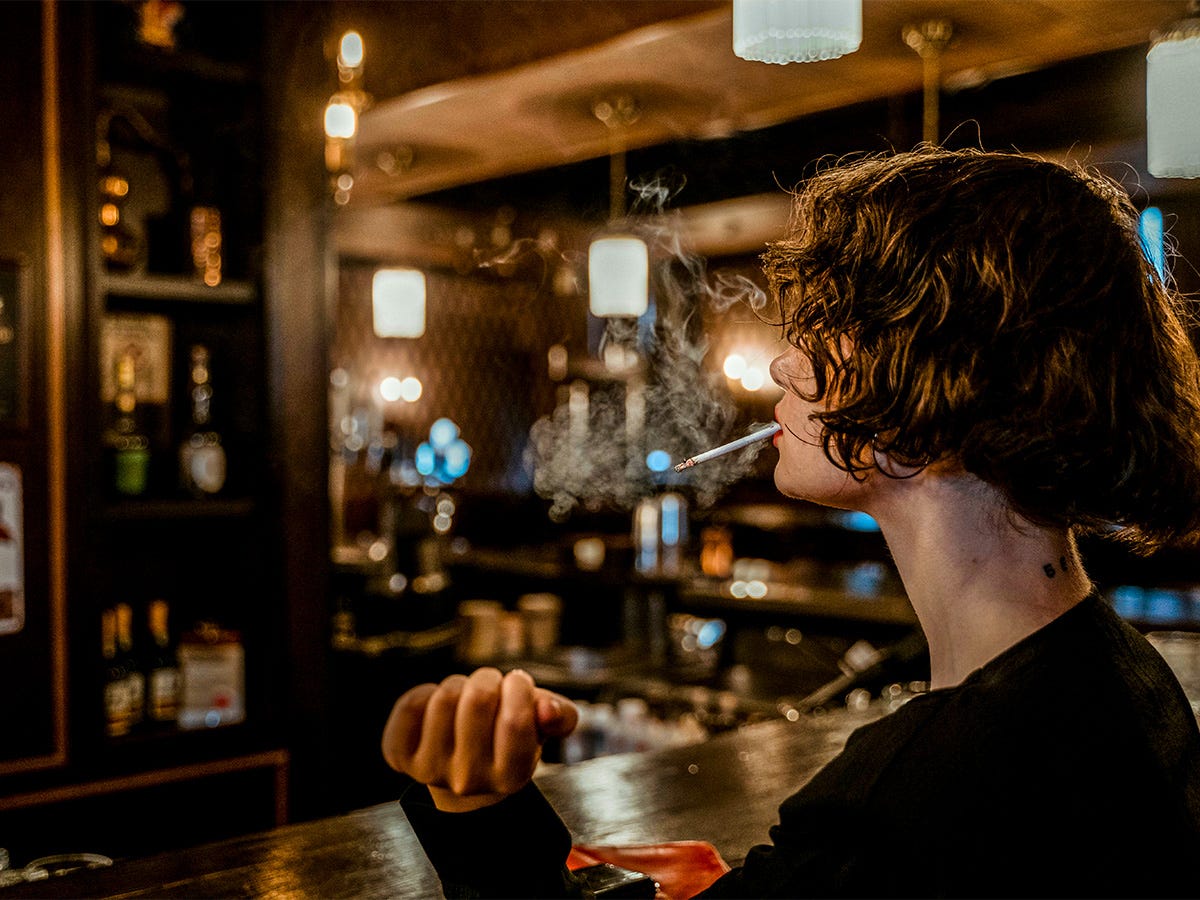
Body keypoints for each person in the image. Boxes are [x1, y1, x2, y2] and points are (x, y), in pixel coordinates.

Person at [381, 148, 1200, 897]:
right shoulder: (1124, 674)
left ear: (938, 381)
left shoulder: (916, 795)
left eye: (826, 327)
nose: (782, 362)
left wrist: (482, 803)